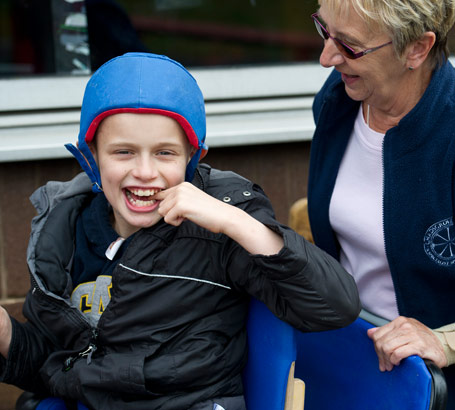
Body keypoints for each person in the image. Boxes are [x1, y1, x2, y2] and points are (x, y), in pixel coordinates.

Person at [0, 52, 360, 410]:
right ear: (90, 157)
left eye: (165, 153)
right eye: (123, 152)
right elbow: (57, 364)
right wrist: (7, 336)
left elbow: (334, 307)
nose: (144, 172)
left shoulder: (220, 227)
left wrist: (235, 223)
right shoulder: (64, 228)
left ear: (193, 156)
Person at [307, 0, 455, 407]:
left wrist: (445, 339)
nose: (326, 58)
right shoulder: (338, 100)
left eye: (351, 46)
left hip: (431, 389)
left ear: (417, 49)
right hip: (352, 362)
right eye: (324, 30)